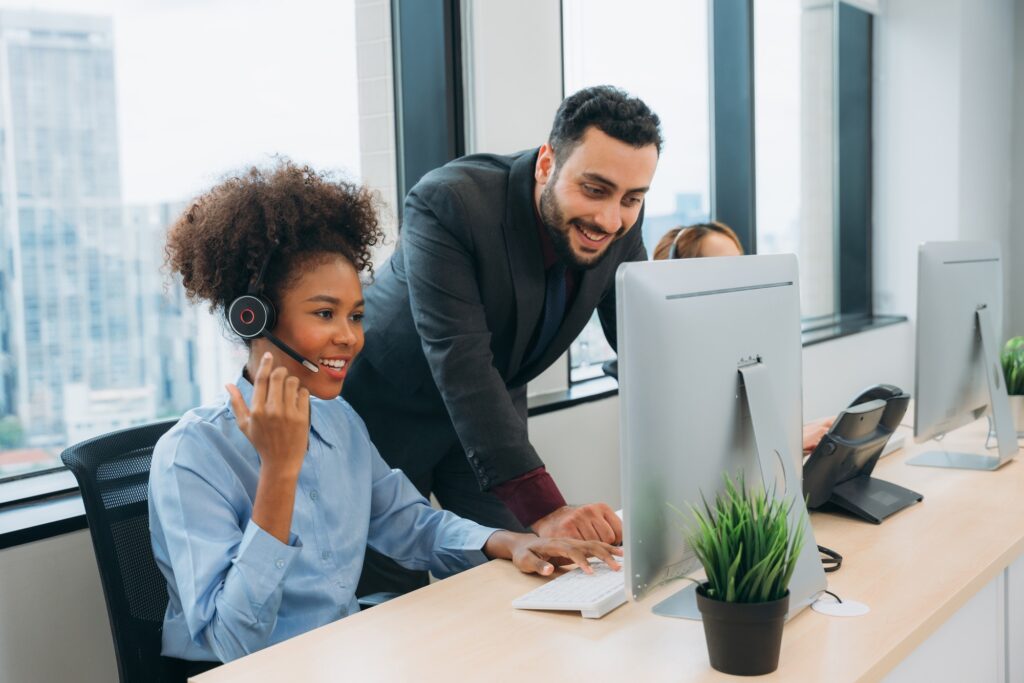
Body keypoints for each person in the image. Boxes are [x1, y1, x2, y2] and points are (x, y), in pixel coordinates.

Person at [149, 162, 622, 668]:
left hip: (346, 656)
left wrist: (510, 542)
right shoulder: (192, 453)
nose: (350, 338)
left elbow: (407, 522)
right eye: (324, 314)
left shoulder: (339, 422)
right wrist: (280, 472)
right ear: (254, 315)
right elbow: (235, 643)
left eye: (356, 315)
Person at [342, 85, 660, 596]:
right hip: (388, 415)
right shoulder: (450, 201)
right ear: (546, 162)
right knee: (392, 600)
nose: (610, 218)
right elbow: (460, 360)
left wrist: (743, 423)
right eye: (595, 189)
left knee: (527, 572)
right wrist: (549, 508)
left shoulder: (622, 223)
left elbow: (649, 345)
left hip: (491, 419)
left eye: (631, 199)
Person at [653, 221, 834, 453]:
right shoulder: (674, 369)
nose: (739, 282)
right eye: (725, 271)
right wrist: (789, 441)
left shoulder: (740, 345)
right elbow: (703, 458)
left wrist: (796, 433)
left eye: (741, 266)